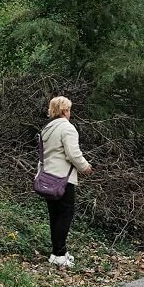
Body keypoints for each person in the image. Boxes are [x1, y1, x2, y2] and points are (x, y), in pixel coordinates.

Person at [40, 96, 92, 268]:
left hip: (48, 178)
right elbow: (73, 154)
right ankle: (59, 254)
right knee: (65, 214)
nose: (70, 113)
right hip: (63, 179)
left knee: (54, 215)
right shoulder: (67, 128)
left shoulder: (47, 129)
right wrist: (85, 167)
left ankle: (57, 252)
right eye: (69, 109)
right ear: (64, 111)